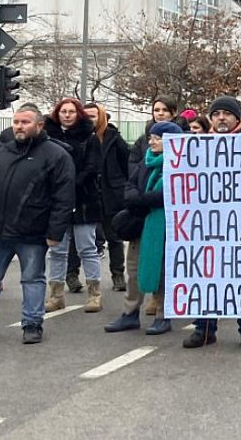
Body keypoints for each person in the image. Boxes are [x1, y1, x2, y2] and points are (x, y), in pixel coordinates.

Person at [0, 105, 75, 344]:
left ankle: (32, 324)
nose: (19, 126)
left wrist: (55, 232)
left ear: (39, 125)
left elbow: (64, 197)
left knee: (32, 279)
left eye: (25, 122)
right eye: (16, 121)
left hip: (32, 233)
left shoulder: (56, 155)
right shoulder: (2, 153)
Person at [183, 97, 241, 350]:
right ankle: (204, 328)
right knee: (207, 273)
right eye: (216, 113)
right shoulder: (196, 147)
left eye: (227, 114)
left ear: (237, 119)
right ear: (210, 119)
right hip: (209, 224)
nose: (221, 118)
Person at [106, 121, 182, 336]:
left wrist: (143, 199)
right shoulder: (146, 162)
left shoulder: (180, 165)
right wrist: (135, 198)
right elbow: (130, 184)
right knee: (133, 271)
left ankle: (162, 314)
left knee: (162, 272)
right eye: (151, 138)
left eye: (157, 138)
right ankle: (129, 313)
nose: (152, 142)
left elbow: (173, 193)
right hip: (141, 224)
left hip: (166, 227)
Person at [43, 98, 103, 314]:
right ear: (57, 114)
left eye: (71, 112)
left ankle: (95, 293)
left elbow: (92, 167)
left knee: (87, 248)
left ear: (78, 114)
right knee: (56, 249)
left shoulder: (90, 138)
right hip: (56, 201)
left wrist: (71, 183)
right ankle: (56, 294)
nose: (67, 115)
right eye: (63, 112)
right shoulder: (48, 137)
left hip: (84, 199)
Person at [83, 103, 130, 292]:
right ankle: (72, 275)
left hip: (111, 194)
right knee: (80, 238)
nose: (90, 120)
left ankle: (118, 274)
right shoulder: (80, 138)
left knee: (114, 237)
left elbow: (126, 165)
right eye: (86, 116)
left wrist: (122, 189)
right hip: (87, 193)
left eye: (93, 116)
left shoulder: (114, 139)